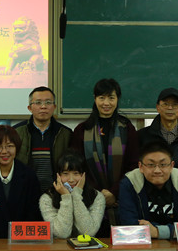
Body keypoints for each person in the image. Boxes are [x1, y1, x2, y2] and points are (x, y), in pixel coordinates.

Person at [70, 78, 139, 235]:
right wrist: (98, 194)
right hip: (89, 199)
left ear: (117, 99)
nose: (106, 103)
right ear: (95, 99)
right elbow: (77, 168)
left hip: (123, 199)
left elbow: (134, 165)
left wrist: (114, 192)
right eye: (102, 98)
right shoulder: (82, 130)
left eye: (111, 98)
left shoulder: (127, 128)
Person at [118, 140, 178, 239]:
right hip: (142, 244)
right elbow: (129, 225)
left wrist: (157, 232)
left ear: (172, 166)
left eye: (163, 165)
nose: (157, 170)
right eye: (151, 165)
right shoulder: (130, 182)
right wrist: (173, 231)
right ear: (140, 166)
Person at [14, 86, 73, 192]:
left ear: (54, 107)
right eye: (38, 102)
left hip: (57, 192)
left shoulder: (65, 133)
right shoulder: (17, 132)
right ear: (29, 108)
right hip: (25, 192)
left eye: (48, 102)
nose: (43, 106)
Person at [39, 151, 106, 238]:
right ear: (58, 175)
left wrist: (76, 196)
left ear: (84, 175)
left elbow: (88, 232)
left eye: (76, 173)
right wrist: (66, 197)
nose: (71, 180)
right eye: (65, 174)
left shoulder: (97, 197)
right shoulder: (47, 198)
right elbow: (61, 233)